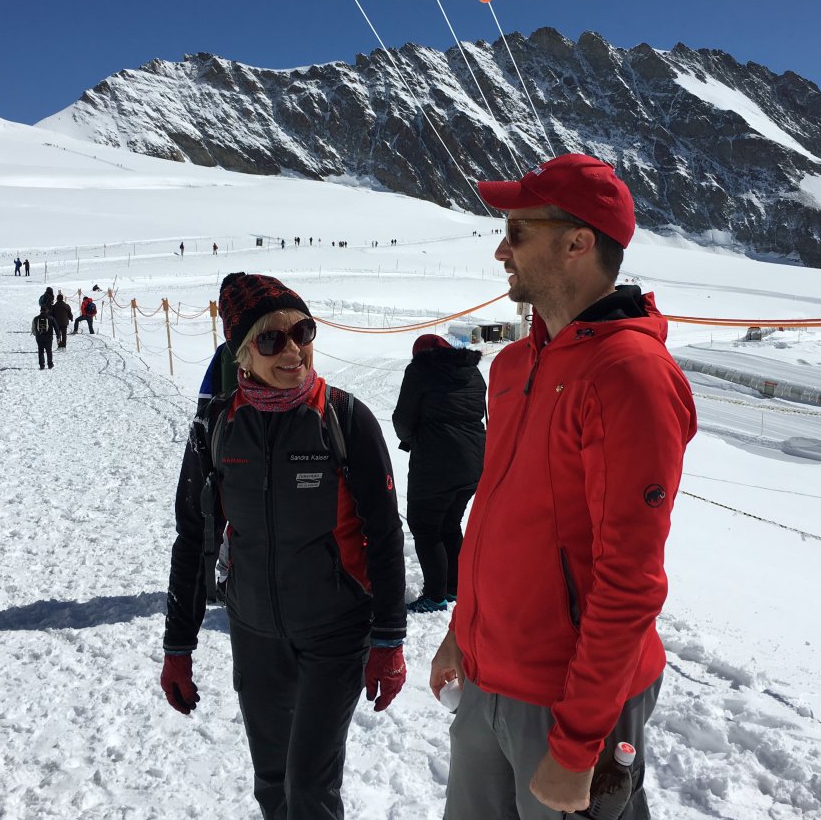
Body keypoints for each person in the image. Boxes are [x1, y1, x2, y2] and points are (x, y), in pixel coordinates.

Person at [429, 153, 697, 819]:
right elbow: (498, 519)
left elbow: (629, 580)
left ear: (577, 243)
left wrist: (579, 746)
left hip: (568, 704)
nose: (501, 250)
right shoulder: (516, 363)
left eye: (517, 233)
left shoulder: (628, 375)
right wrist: (462, 630)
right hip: (491, 677)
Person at [161, 272, 407, 820]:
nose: (293, 350)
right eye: (271, 339)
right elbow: (193, 536)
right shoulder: (217, 428)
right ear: (242, 353)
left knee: (310, 789)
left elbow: (386, 535)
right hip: (255, 633)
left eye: (303, 331)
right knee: (272, 784)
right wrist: (178, 647)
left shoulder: (344, 419)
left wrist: (389, 640)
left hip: (336, 633)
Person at [392, 334, 485, 613]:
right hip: (473, 462)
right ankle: (454, 587)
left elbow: (402, 420)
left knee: (426, 527)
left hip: (436, 464)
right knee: (450, 523)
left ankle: (435, 596)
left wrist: (411, 439)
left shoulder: (420, 369)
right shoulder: (472, 370)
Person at [32, 305, 55, 369]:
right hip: (49, 337)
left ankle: (42, 365)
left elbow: (33, 329)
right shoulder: (51, 318)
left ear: (40, 311)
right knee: (49, 351)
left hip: (39, 338)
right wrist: (58, 336)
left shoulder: (36, 318)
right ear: (47, 311)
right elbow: (56, 327)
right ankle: (50, 364)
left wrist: (37, 335)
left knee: (41, 351)